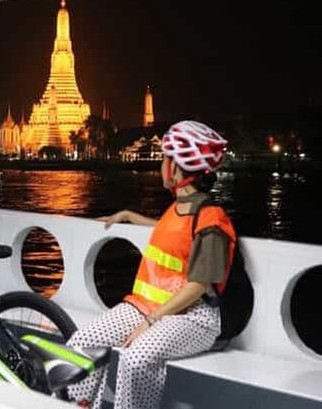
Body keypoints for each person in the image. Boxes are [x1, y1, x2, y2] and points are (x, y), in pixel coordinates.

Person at [66, 120, 236, 409]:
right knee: (82, 342)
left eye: (165, 159)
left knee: (137, 357)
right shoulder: (178, 208)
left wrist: (151, 321)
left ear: (176, 168)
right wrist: (129, 216)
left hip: (193, 318)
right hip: (147, 306)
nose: (161, 166)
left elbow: (198, 285)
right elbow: (172, 232)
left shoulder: (212, 219)